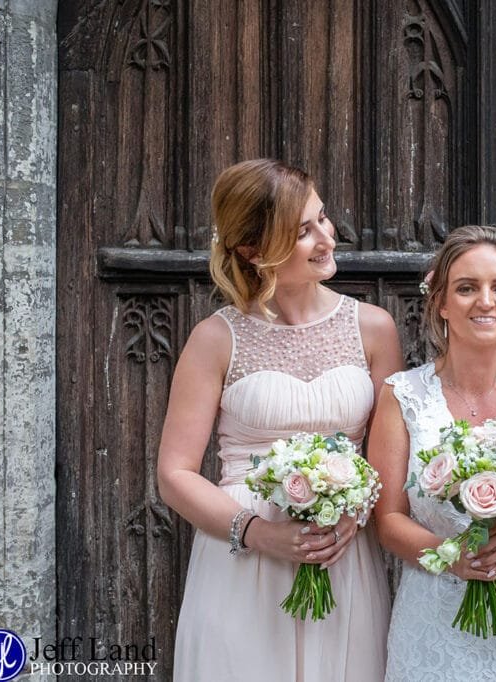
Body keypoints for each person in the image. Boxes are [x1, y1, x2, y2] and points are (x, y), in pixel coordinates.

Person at [157, 159, 403, 681]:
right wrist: (258, 534)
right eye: (302, 232)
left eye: (323, 219)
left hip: (340, 555)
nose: (326, 238)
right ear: (252, 249)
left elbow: (389, 462)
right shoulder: (216, 338)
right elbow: (174, 474)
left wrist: (349, 517)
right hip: (243, 559)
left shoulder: (374, 329)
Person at [368, 226, 496, 681]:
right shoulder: (402, 394)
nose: (486, 301)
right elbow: (387, 520)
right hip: (432, 615)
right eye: (467, 288)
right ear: (441, 302)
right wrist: (451, 555)